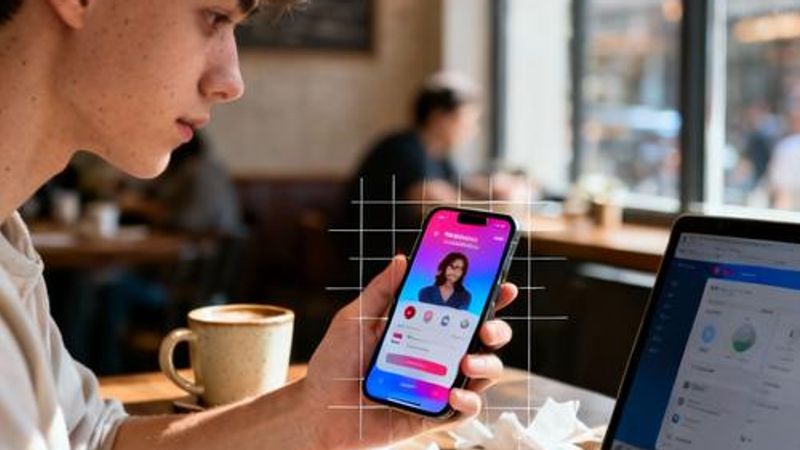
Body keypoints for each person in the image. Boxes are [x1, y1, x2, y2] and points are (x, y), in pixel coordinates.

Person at [0, 1, 519, 450]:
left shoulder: (10, 240)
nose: (233, 81)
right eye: (214, 16)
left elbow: (91, 438)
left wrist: (319, 419)